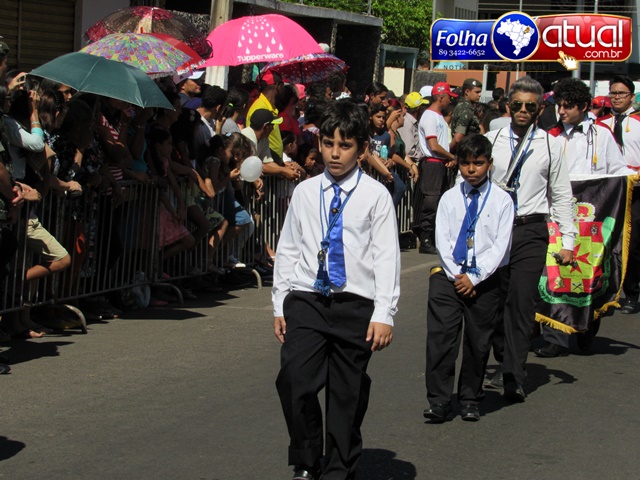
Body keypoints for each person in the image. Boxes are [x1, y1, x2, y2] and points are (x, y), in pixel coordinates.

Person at [273, 99, 400, 480]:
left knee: (347, 394)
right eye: (328, 143)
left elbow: (386, 256)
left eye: (345, 145)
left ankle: (339, 469)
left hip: (355, 302)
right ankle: (307, 458)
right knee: (294, 378)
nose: (334, 153)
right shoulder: (306, 192)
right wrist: (279, 302)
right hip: (307, 298)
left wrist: (384, 313)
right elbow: (289, 248)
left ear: (362, 149)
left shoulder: (375, 196)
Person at [484, 76, 575, 402]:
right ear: (508, 106)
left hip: (531, 230)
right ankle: (501, 354)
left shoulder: (550, 144)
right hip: (494, 229)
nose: (523, 110)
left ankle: (514, 375)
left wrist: (568, 241)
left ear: (539, 110)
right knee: (495, 302)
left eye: (530, 106)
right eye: (517, 104)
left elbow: (561, 195)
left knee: (521, 302)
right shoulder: (491, 139)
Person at [533, 78, 635, 357]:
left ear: (583, 106)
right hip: (559, 216)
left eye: (567, 106)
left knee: (589, 271)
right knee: (555, 271)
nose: (561, 111)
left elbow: (617, 172)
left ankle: (588, 325)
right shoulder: (550, 135)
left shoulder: (602, 134)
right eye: (559, 106)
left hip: (594, 217)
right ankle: (554, 337)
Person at [424, 134, 514, 423]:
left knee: (478, 342)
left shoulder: (502, 200)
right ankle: (439, 400)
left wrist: (474, 278)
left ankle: (470, 397)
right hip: (450, 275)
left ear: (490, 163)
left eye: (478, 163)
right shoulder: (450, 198)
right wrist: (457, 275)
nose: (471, 170)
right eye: (465, 164)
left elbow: (500, 246)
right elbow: (443, 239)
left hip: (485, 278)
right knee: (441, 339)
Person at [598, 75, 640, 314]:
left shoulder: (638, 121)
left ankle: (632, 293)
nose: (616, 97)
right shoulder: (600, 123)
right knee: (605, 242)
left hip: (636, 190)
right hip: (607, 190)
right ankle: (604, 292)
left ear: (631, 97)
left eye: (621, 93)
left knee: (632, 244)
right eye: (613, 93)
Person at [415, 82, 458, 254]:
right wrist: (451, 156)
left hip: (439, 163)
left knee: (440, 200)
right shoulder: (430, 117)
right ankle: (425, 239)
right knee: (431, 201)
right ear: (441, 97)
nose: (450, 100)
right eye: (449, 97)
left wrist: (447, 157)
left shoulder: (438, 117)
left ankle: (433, 237)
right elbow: (433, 145)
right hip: (432, 164)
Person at [246, 69, 285, 163]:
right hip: (264, 162)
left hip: (273, 161)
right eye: (283, 85)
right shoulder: (260, 108)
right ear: (278, 85)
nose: (284, 89)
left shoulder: (271, 106)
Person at [450, 78, 483, 152]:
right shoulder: (465, 109)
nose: (479, 95)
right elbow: (458, 138)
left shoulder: (464, 105)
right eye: (477, 92)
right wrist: (448, 152)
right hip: (466, 151)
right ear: (467, 91)